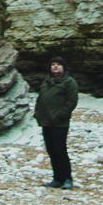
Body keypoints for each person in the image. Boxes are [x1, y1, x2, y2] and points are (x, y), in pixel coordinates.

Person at [33, 57, 78, 189]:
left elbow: (72, 101)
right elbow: (41, 98)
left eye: (58, 64)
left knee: (60, 150)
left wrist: (61, 115)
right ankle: (57, 178)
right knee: (51, 150)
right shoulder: (47, 82)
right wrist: (38, 113)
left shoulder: (69, 82)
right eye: (53, 64)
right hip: (46, 122)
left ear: (64, 67)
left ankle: (67, 179)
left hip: (59, 123)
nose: (55, 67)